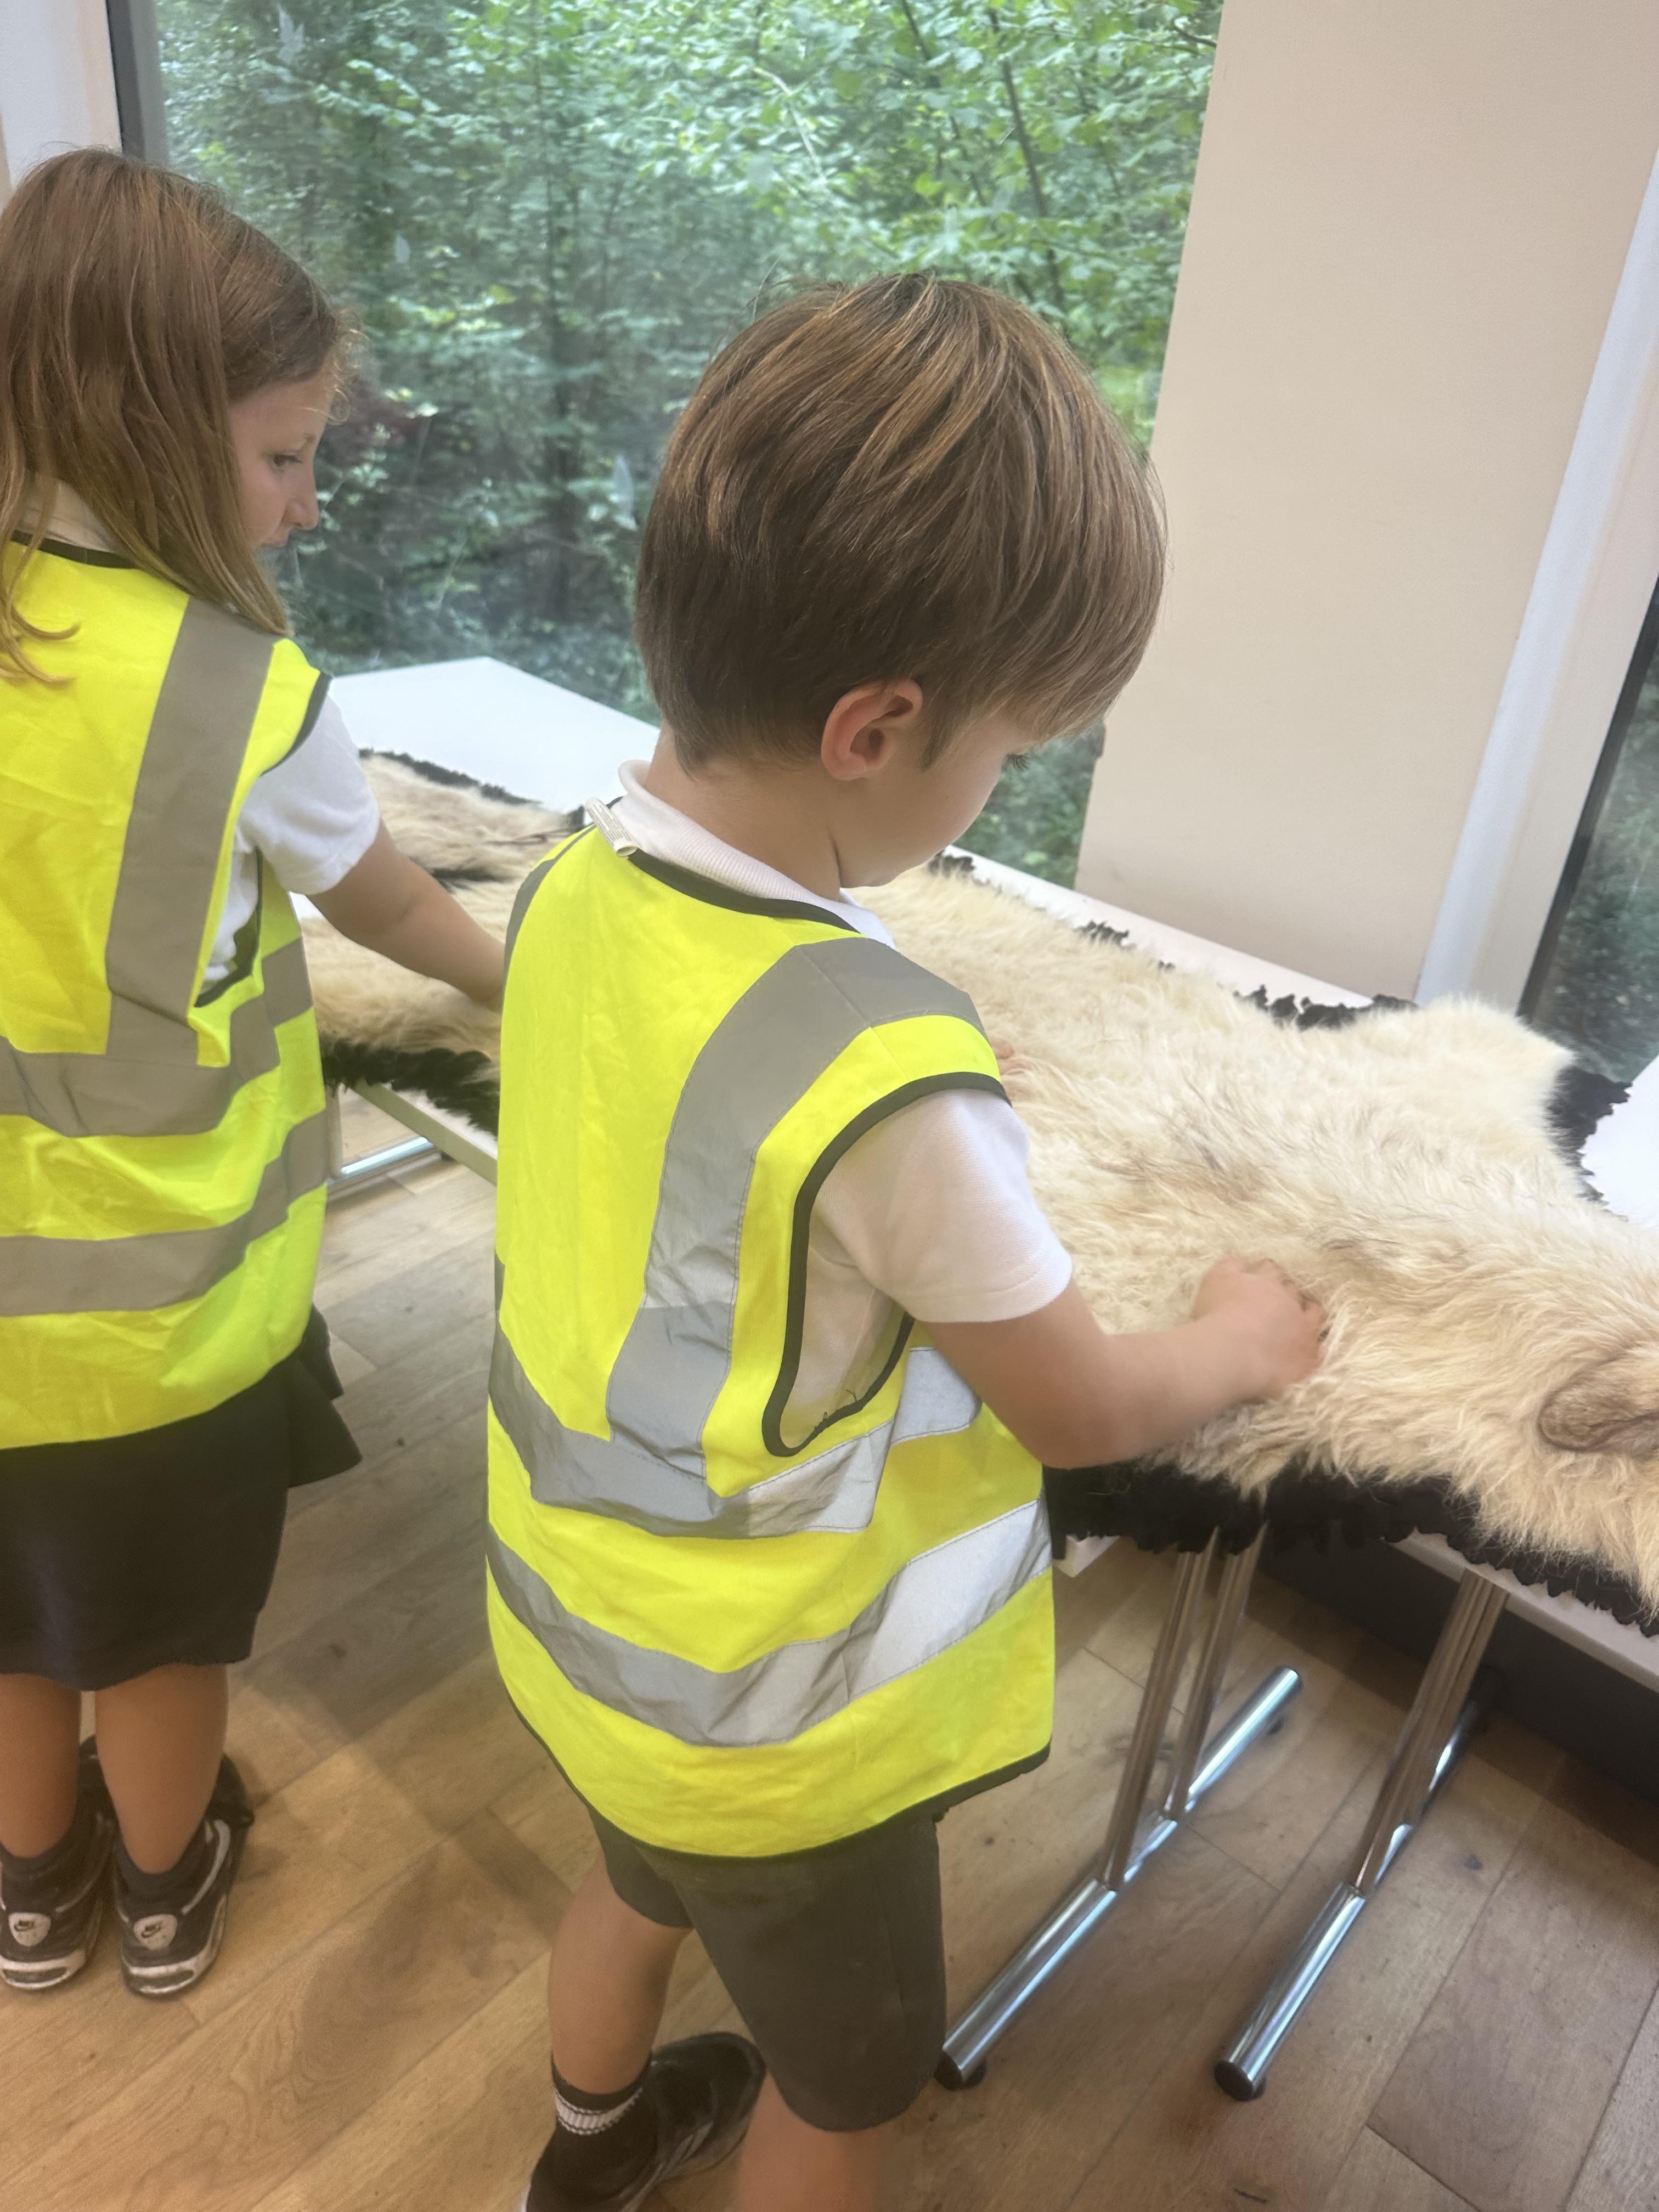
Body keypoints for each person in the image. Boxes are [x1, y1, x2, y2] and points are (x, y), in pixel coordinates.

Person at [488, 274, 1325, 2212]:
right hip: (787, 1720)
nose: (996, 791)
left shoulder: (574, 886)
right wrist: (1240, 1341)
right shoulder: (884, 1078)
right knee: (846, 2087)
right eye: (1013, 749)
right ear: (878, 729)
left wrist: (905, 1100)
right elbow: (1081, 1410)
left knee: (629, 1896)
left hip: (597, 1638)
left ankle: (588, 2153)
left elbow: (695, 1146)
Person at [0, 149, 503, 2001]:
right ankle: (164, 1888)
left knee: (17, 1622)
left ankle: (28, 1894)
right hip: (160, 1318)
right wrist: (522, 974)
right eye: (286, 454)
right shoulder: (239, 691)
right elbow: (385, 900)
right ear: (148, 425)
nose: (303, 502)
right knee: (155, 1640)